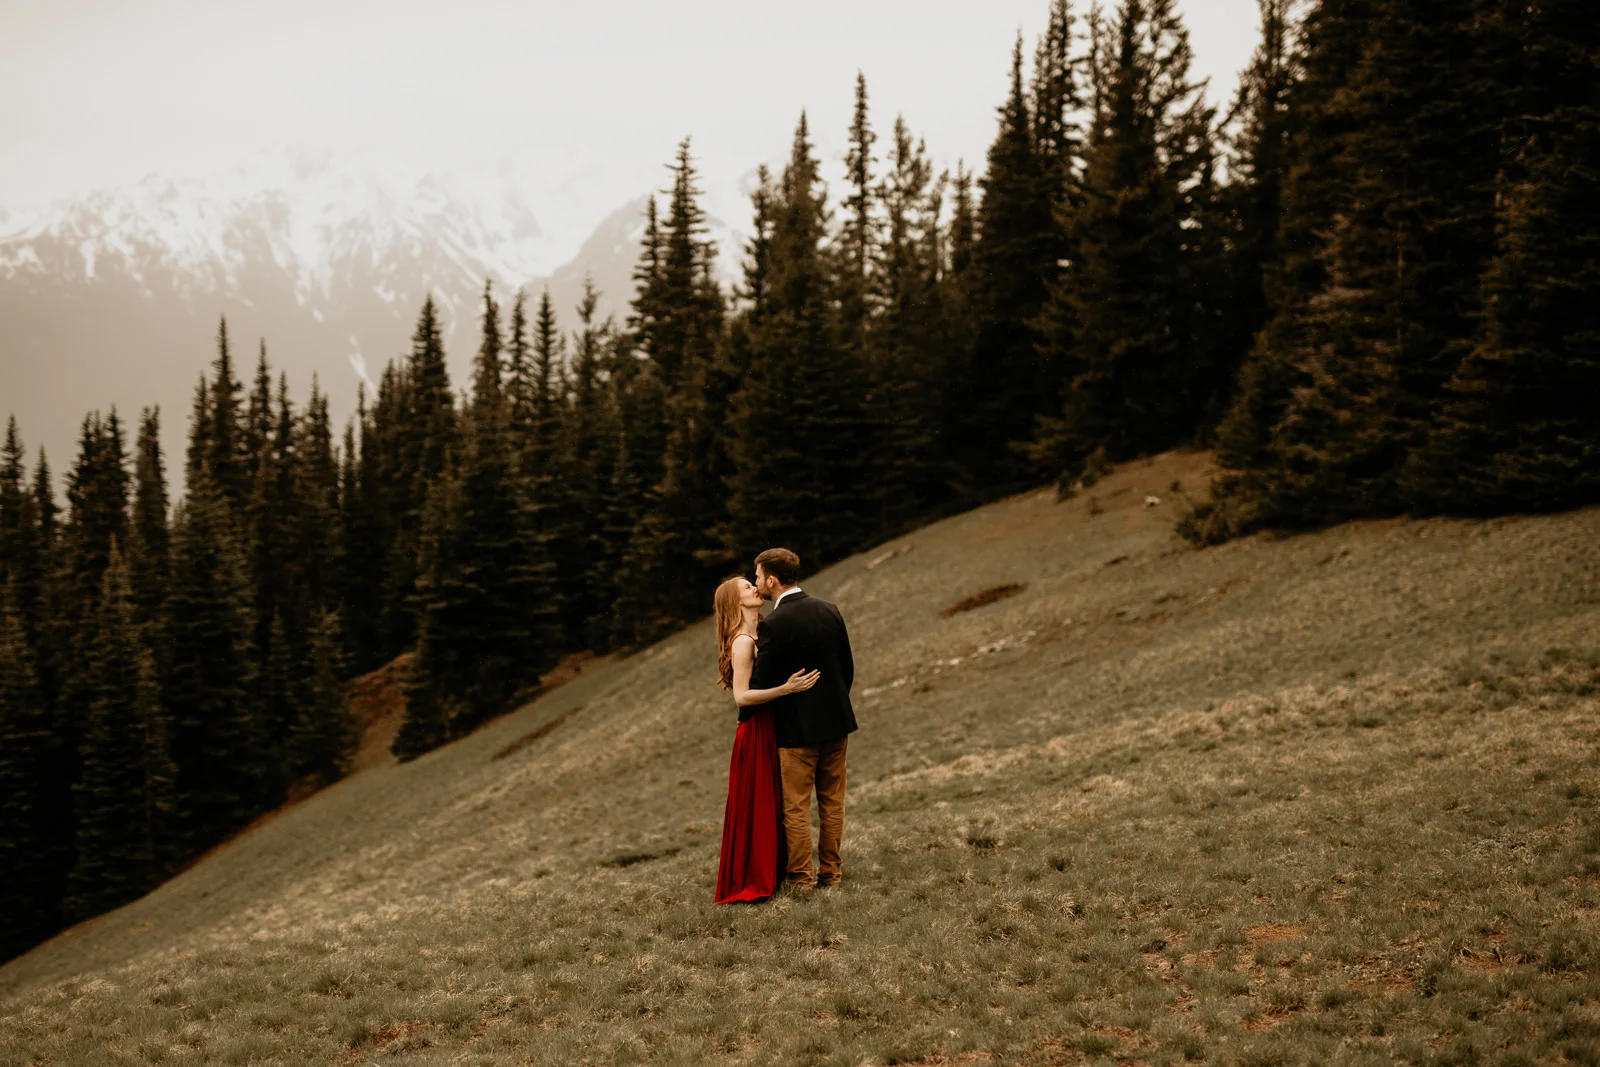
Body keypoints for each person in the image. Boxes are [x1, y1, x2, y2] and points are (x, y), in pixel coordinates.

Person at [750, 547, 857, 889]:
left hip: (796, 730)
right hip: (837, 722)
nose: (756, 583)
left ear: (772, 580)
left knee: (795, 807)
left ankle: (800, 878)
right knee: (832, 802)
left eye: (757, 577)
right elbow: (847, 668)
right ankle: (832, 875)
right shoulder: (829, 609)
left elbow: (761, 683)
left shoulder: (775, 624)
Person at [711, 575, 820, 904]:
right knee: (760, 804)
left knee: (775, 802)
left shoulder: (764, 631)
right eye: (746, 588)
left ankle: (776, 871)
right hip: (756, 729)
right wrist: (786, 689)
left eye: (751, 582)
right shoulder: (743, 642)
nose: (754, 588)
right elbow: (742, 697)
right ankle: (756, 877)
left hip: (772, 726)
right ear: (736, 602)